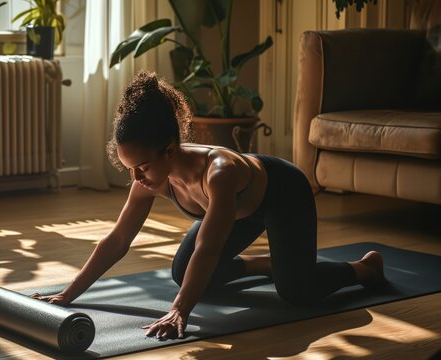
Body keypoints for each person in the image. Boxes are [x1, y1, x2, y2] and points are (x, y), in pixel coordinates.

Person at [32, 71, 387, 340]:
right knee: (182, 272)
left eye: (142, 167)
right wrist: (68, 294)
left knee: (296, 291)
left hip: (282, 195)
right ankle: (269, 264)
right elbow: (118, 239)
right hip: (239, 210)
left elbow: (209, 247)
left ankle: (363, 268)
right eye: (130, 170)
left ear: (170, 150)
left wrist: (178, 311)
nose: (137, 178)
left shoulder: (219, 172)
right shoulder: (150, 177)